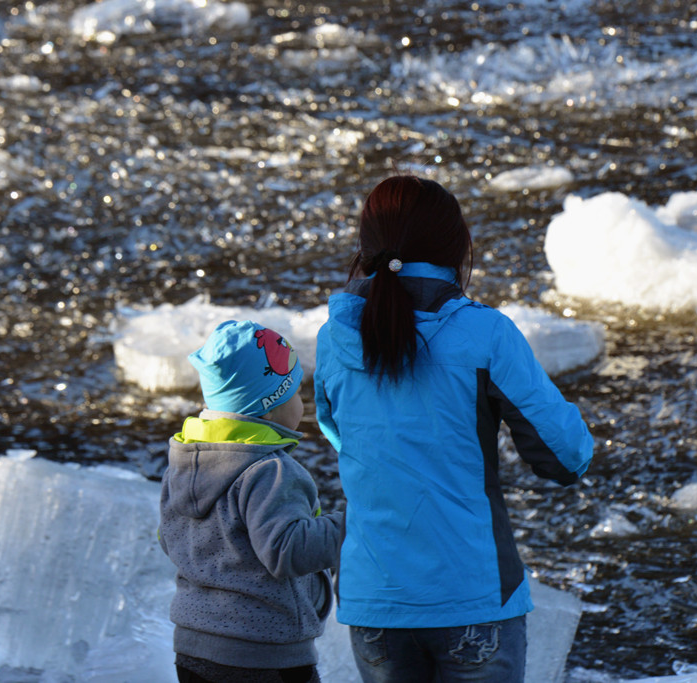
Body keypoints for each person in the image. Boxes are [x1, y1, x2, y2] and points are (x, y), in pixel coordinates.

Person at [314, 174, 594, 683]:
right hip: (472, 597)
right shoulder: (485, 333)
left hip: (374, 601)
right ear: (456, 246)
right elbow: (566, 455)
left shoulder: (334, 338)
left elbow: (340, 435)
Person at [159, 319, 344, 683]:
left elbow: (169, 539)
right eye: (295, 392)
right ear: (271, 407)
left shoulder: (182, 465)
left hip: (193, 647)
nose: (301, 402)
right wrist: (354, 524)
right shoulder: (269, 470)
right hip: (263, 652)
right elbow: (288, 549)